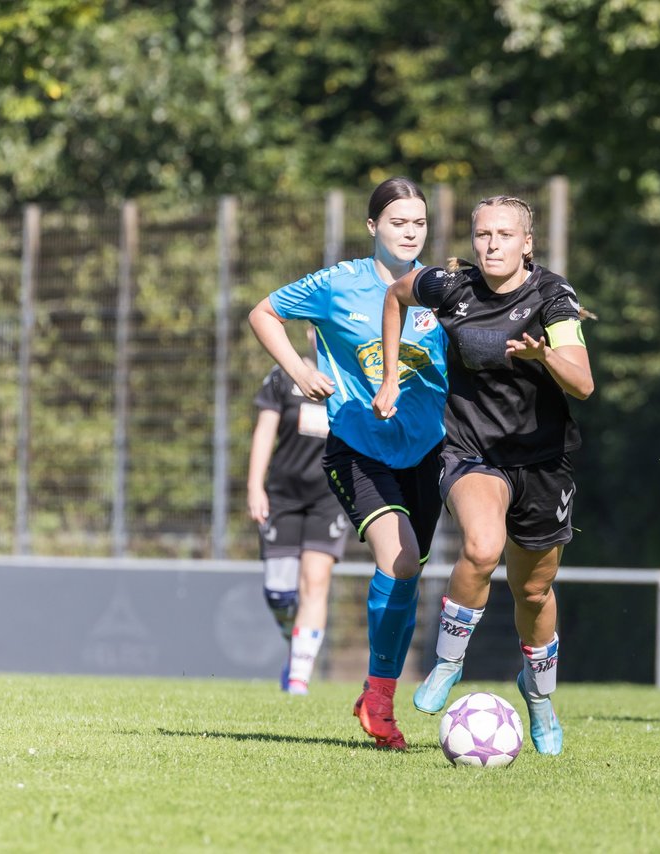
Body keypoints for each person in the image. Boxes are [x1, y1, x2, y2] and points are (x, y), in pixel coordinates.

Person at [373, 195, 594, 756]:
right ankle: (448, 664)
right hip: (471, 451)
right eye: (482, 235)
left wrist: (545, 357)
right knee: (481, 545)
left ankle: (539, 699)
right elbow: (396, 296)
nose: (491, 245)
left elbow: (584, 384)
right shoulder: (450, 287)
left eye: (504, 235)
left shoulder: (553, 296)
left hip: (543, 463)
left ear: (527, 243)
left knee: (534, 590)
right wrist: (391, 377)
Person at [248, 177, 448, 751]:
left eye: (419, 223)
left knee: (407, 576)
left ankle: (375, 689)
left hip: (428, 452)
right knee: (402, 557)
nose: (410, 233)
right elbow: (263, 312)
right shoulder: (338, 284)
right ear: (372, 228)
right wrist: (299, 370)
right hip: (358, 447)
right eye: (398, 223)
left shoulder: (439, 289)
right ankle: (381, 703)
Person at [246, 331, 349, 697]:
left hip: (329, 497)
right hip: (283, 497)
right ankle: (297, 645)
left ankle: (298, 679)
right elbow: (264, 434)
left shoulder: (351, 378)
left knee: (315, 581)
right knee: (279, 592)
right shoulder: (281, 377)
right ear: (309, 333)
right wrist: (254, 486)